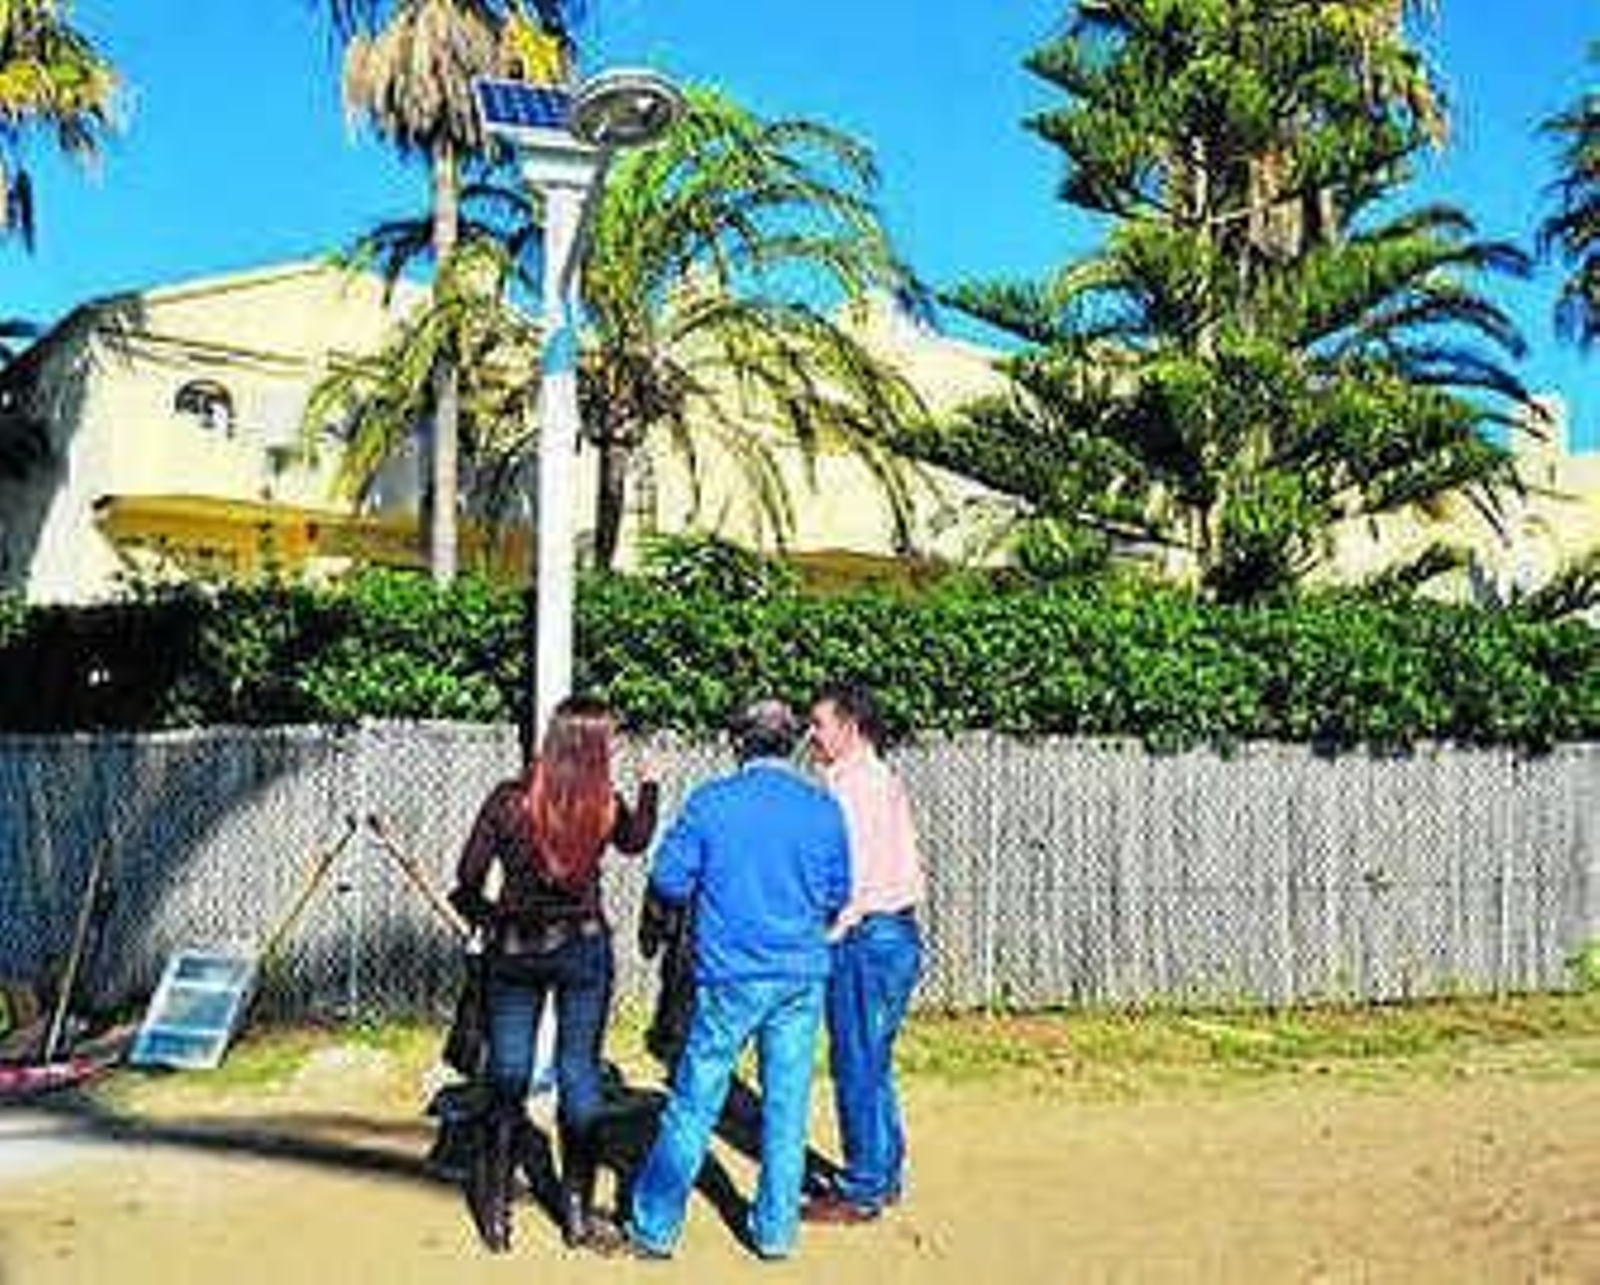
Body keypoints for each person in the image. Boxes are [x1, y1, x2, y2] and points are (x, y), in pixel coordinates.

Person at [627, 699, 850, 1261]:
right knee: (787, 1106)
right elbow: (838, 892)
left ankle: (655, 1227)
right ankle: (775, 1233)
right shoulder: (822, 807)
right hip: (800, 974)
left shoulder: (711, 803)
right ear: (792, 744)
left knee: (695, 1098)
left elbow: (669, 880)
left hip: (730, 974)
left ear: (737, 744)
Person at [448, 694, 659, 1255]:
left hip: (515, 951)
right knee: (579, 1074)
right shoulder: (604, 805)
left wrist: (490, 918)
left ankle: (495, 1217)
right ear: (594, 747)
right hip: (583, 948)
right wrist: (650, 783)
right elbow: (637, 840)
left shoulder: (508, 800)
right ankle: (576, 1214)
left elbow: (467, 878)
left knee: (508, 1074)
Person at [804, 680, 927, 1223]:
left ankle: (862, 1189)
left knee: (856, 1062)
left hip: (866, 939)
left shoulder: (854, 787)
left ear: (850, 727)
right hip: (892, 934)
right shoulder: (877, 779)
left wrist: (830, 933)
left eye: (820, 724)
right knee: (872, 1062)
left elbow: (853, 874)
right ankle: (882, 1172)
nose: (812, 734)